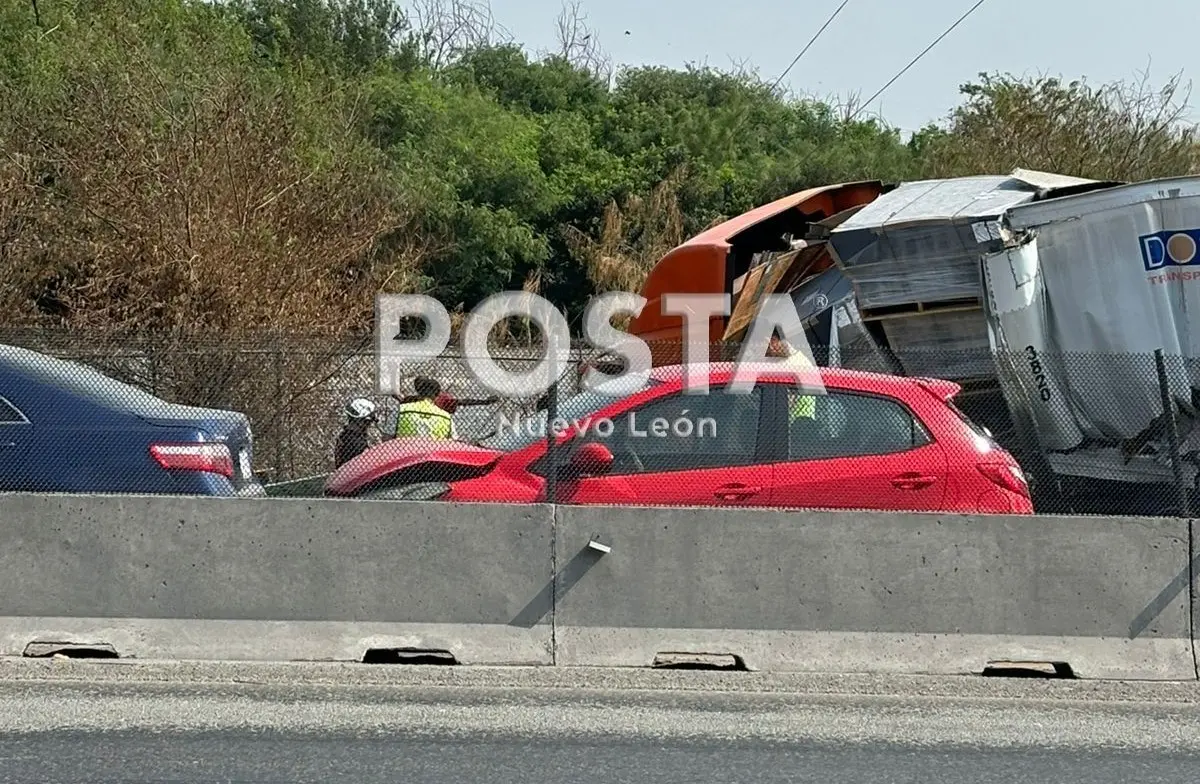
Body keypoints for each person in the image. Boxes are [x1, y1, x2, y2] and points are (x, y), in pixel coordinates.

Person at [393, 376, 457, 440]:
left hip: (405, 447)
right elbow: (454, 439)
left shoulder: (402, 410)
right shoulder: (446, 417)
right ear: (437, 396)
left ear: (419, 392)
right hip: (434, 448)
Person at [334, 398, 381, 468]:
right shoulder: (355, 441)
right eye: (368, 422)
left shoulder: (345, 435)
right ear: (363, 421)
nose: (369, 424)